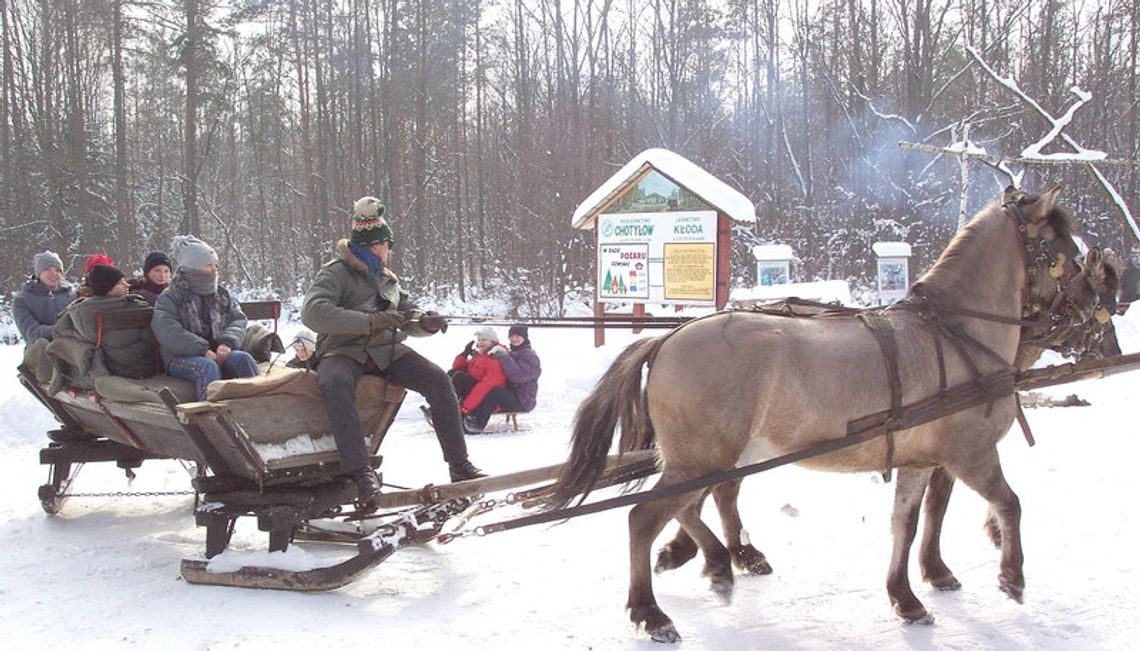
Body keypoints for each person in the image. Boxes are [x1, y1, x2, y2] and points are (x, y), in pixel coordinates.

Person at [301, 195, 485, 511]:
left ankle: (460, 465)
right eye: (388, 244)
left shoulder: (387, 278)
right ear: (374, 245)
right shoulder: (336, 273)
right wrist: (369, 322)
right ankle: (360, 472)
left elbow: (407, 312)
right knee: (334, 383)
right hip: (344, 350)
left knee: (439, 380)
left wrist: (426, 321)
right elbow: (313, 313)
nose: (390, 251)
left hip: (385, 352)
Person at [151, 235, 258, 401]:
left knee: (243, 359)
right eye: (209, 265)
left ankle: (257, 408)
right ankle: (209, 417)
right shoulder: (170, 297)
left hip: (218, 350)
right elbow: (168, 332)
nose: (214, 270)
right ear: (194, 267)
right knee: (207, 367)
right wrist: (202, 349)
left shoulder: (221, 294)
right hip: (181, 356)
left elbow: (238, 319)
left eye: (215, 265)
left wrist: (226, 342)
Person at [52, 264, 156, 381]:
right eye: (120, 283)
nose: (127, 284)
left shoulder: (81, 311)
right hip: (136, 369)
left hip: (118, 369)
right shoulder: (130, 308)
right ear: (107, 288)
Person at [465, 324, 542, 433]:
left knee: (496, 393)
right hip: (513, 394)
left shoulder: (529, 355)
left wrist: (505, 357)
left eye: (518, 336)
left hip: (523, 400)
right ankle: (471, 417)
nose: (514, 339)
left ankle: (478, 424)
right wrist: (479, 355)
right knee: (489, 388)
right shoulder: (513, 352)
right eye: (512, 336)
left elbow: (518, 377)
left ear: (524, 337)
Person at [449, 327, 507, 432]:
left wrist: (466, 407)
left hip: (486, 399)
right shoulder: (481, 355)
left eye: (484, 340)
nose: (480, 342)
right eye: (479, 340)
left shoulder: (494, 358)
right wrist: (464, 354)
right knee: (453, 373)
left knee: (459, 377)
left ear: (493, 342)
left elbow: (485, 387)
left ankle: (447, 409)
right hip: (475, 394)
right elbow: (459, 368)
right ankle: (443, 406)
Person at [13, 251, 76, 345]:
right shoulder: (22, 300)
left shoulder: (72, 295)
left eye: (58, 270)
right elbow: (32, 333)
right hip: (41, 351)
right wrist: (60, 330)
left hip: (72, 348)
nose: (53, 273)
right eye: (48, 269)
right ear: (38, 272)